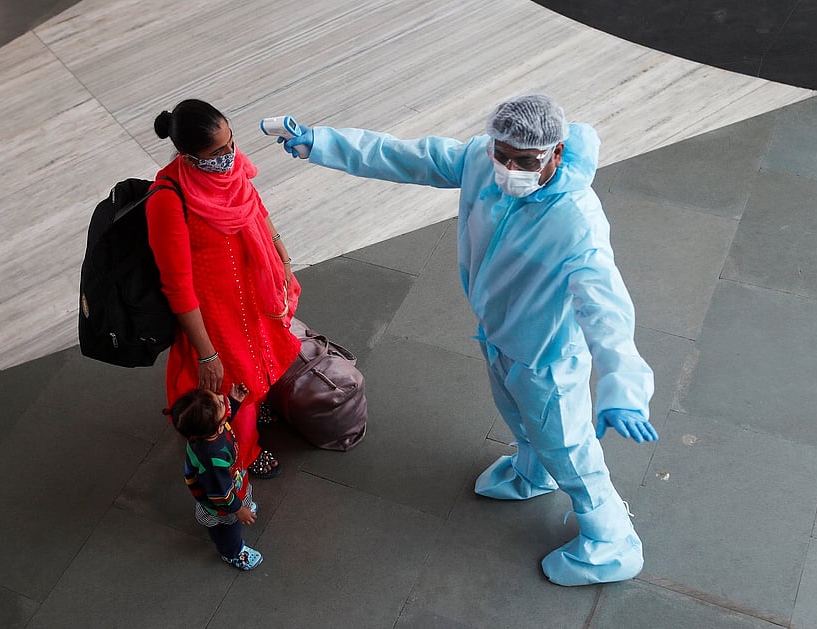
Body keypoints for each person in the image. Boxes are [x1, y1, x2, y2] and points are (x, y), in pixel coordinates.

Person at [277, 94, 659, 586]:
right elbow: (408, 155)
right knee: (518, 417)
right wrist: (322, 142)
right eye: (502, 154)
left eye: (525, 160)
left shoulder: (575, 220)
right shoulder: (484, 162)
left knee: (569, 447)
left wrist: (622, 390)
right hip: (500, 335)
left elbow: (607, 309)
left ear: (556, 153)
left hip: (545, 356)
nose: (508, 168)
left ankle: (611, 540)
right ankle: (531, 470)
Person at [147, 98, 302, 479]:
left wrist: (279, 249)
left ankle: (254, 406)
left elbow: (253, 203)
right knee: (232, 381)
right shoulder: (169, 200)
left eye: (231, 143)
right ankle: (244, 454)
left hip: (250, 294)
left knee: (261, 361)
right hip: (214, 313)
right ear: (188, 155)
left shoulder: (229, 168)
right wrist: (206, 355)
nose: (230, 155)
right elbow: (178, 287)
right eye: (217, 152)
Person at [169, 383, 262, 570]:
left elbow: (226, 417)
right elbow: (220, 493)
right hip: (222, 502)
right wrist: (237, 510)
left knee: (241, 492)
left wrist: (234, 402)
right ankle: (232, 552)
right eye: (221, 403)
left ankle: (241, 504)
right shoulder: (213, 460)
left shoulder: (207, 430)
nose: (222, 398)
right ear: (218, 426)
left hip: (232, 479)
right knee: (228, 528)